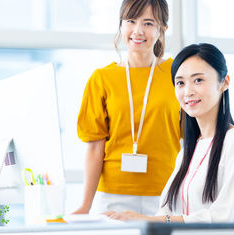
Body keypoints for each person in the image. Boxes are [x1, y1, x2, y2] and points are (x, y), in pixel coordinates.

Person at [104, 43, 234, 223]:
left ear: (224, 82)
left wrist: (147, 220)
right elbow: (164, 212)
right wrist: (131, 219)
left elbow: (222, 217)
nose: (188, 91)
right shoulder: (188, 151)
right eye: (180, 83)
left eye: (198, 80)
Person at [73, 0, 181, 215]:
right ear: (121, 25)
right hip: (113, 195)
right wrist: (85, 206)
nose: (138, 31)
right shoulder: (102, 79)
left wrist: (233, 138)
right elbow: (95, 148)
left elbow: (203, 121)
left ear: (162, 29)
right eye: (131, 21)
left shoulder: (177, 73)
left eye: (149, 23)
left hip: (166, 193)